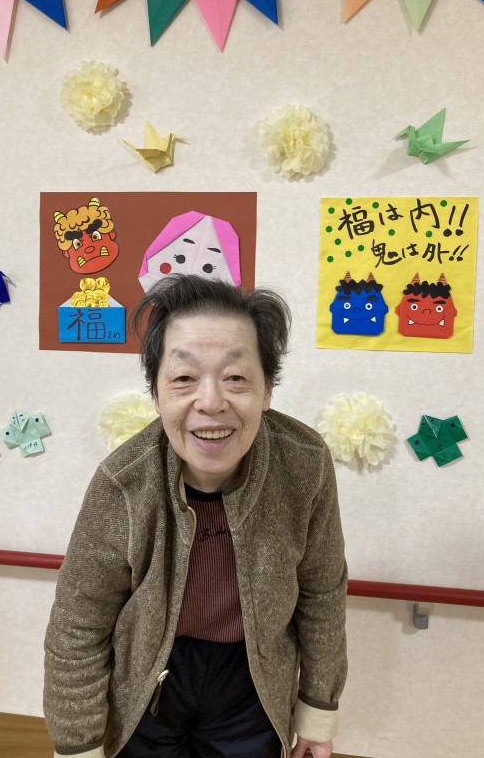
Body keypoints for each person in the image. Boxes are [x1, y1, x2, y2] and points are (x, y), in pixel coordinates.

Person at [44, 274, 347, 758]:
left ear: (268, 390)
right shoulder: (123, 482)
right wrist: (78, 745)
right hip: (150, 672)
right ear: (157, 393)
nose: (210, 402)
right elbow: (79, 623)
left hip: (253, 675)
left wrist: (317, 712)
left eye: (236, 378)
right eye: (184, 378)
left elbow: (322, 592)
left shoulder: (304, 463)